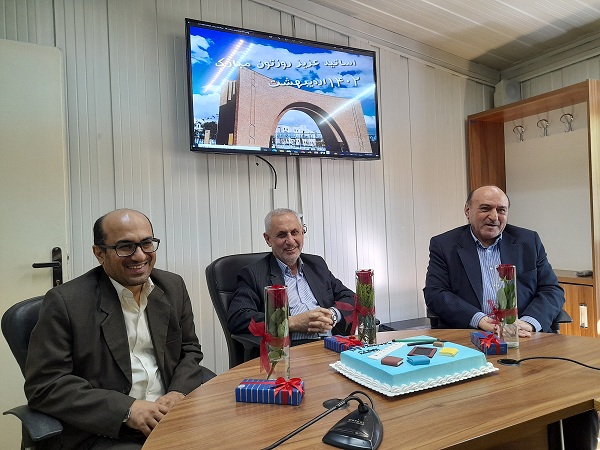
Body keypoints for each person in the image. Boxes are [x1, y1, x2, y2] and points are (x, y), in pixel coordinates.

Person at [423, 185, 597, 450]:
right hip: (471, 341)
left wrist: (528, 322)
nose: (494, 216)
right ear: (467, 210)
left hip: (528, 340)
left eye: (501, 210)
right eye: (485, 208)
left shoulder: (528, 241)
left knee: (576, 392)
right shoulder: (444, 244)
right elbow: (435, 293)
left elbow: (551, 290)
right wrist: (480, 319)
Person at [24, 209, 210, 450]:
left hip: (170, 417)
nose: (139, 255)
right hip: (107, 431)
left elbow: (189, 349)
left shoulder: (172, 286)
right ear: (99, 253)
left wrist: (178, 392)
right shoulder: (66, 302)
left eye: (146, 243)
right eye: (125, 246)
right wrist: (127, 409)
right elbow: (46, 385)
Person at [227, 208, 355, 344]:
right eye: (282, 235)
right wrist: (291, 322)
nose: (290, 241)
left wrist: (332, 315)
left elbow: (351, 298)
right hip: (291, 349)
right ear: (268, 239)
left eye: (294, 232)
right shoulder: (253, 274)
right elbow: (238, 318)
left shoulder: (316, 264)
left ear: (302, 233)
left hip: (331, 343)